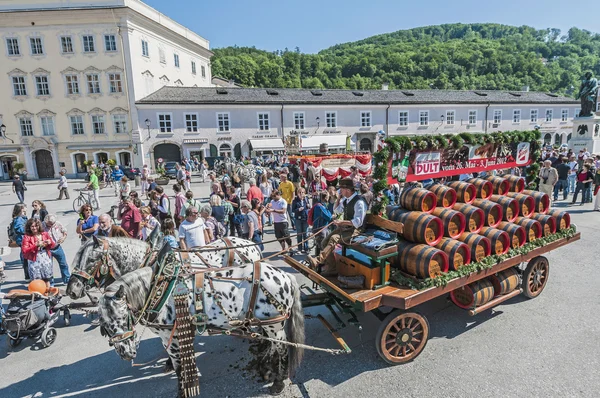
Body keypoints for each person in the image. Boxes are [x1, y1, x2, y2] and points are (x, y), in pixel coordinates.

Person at [306, 178, 367, 275]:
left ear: (347, 190)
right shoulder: (346, 200)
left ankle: (318, 260)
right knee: (324, 242)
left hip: (356, 230)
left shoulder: (359, 202)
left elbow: (358, 222)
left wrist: (341, 222)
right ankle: (332, 268)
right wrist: (338, 199)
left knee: (334, 238)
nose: (340, 191)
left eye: (341, 189)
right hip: (346, 228)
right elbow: (337, 210)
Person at [22, 219, 56, 287]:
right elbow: (24, 250)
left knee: (47, 279)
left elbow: (53, 245)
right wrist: (35, 245)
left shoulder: (45, 234)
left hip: (45, 258)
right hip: (34, 260)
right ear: (29, 227)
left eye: (36, 226)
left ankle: (48, 292)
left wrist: (50, 242)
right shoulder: (27, 237)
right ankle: (39, 294)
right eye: (32, 226)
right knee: (37, 281)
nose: (34, 228)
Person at [43, 214, 70, 284]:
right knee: (49, 267)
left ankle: (66, 279)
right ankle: (51, 283)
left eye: (53, 224)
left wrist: (63, 237)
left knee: (63, 263)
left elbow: (64, 231)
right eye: (50, 224)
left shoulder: (57, 224)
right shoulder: (42, 226)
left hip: (57, 247)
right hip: (47, 249)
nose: (51, 226)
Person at [11, 203, 29, 279]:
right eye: (25, 207)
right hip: (22, 239)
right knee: (24, 255)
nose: (26, 208)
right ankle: (26, 272)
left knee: (24, 253)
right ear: (21, 209)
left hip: (23, 239)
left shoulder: (23, 217)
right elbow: (18, 229)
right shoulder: (18, 219)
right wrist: (28, 230)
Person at [292, 188, 310, 253]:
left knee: (306, 234)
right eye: (300, 192)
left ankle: (306, 248)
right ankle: (299, 248)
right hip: (298, 219)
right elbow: (293, 210)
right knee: (299, 234)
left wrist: (308, 206)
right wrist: (298, 209)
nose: (301, 194)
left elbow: (309, 208)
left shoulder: (306, 199)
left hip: (305, 218)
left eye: (302, 192)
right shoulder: (295, 201)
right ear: (297, 193)